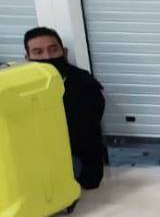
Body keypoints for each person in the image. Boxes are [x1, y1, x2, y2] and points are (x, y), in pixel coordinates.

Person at [24, 27, 106, 189]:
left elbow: (83, 134)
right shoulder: (23, 87)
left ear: (64, 52)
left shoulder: (84, 84)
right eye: (38, 52)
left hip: (75, 158)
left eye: (53, 50)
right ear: (28, 59)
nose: (47, 57)